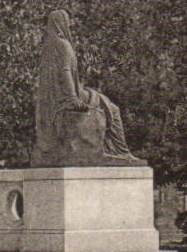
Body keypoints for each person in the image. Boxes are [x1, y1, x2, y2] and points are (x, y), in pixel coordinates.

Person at [33, 10, 142, 165]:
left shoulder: (48, 48)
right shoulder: (64, 45)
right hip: (67, 95)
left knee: (101, 101)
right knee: (113, 110)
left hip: (53, 100)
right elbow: (65, 72)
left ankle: (113, 150)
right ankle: (121, 151)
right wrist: (72, 97)